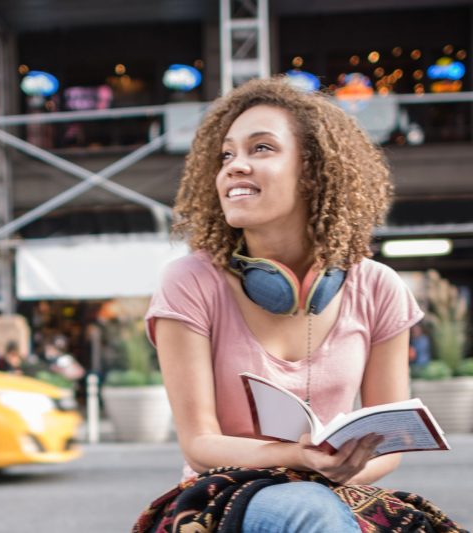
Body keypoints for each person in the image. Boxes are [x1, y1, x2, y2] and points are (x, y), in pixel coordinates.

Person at [138, 78, 466, 533]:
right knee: (310, 510)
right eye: (227, 155)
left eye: (262, 148)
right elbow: (199, 443)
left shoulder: (379, 287)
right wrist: (296, 459)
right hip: (224, 493)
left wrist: (339, 469)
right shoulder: (189, 281)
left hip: (336, 491)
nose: (235, 166)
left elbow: (391, 444)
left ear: (313, 171)